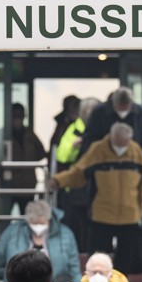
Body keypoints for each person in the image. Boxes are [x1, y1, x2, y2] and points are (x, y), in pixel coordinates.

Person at [49, 122, 142, 266]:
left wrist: (140, 209)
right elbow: (78, 172)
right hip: (102, 214)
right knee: (98, 258)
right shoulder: (98, 150)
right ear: (112, 138)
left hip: (129, 215)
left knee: (126, 260)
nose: (121, 148)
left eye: (125, 144)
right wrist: (58, 181)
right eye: (118, 143)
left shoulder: (136, 152)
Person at [56, 97, 100, 251]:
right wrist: (74, 146)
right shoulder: (74, 129)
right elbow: (61, 156)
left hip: (100, 185)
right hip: (76, 187)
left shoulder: (102, 129)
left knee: (96, 225)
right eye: (87, 111)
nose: (89, 114)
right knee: (74, 223)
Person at [0, 102, 47, 214]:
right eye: (15, 116)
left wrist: (28, 162)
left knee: (27, 219)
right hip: (7, 185)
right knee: (3, 218)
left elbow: (41, 153)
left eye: (20, 116)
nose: (17, 119)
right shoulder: (1, 135)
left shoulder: (30, 135)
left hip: (27, 186)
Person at [79, 87, 142, 168]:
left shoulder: (141, 113)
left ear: (131, 104)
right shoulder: (99, 112)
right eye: (119, 107)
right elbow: (89, 139)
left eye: (125, 107)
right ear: (113, 103)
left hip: (134, 165)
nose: (122, 111)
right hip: (104, 165)